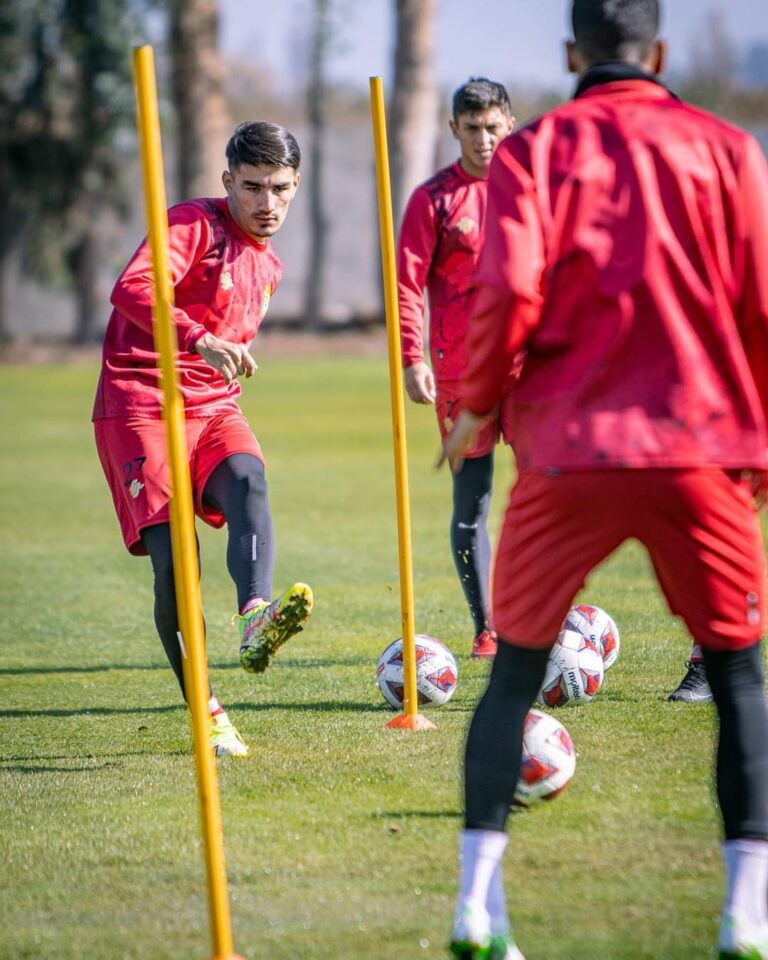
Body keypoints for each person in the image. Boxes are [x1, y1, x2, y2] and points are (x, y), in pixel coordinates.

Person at [441, 2, 768, 958]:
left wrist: (477, 404)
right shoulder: (729, 148)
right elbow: (758, 299)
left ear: (572, 53)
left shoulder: (529, 154)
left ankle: (476, 908)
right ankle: (746, 913)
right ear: (659, 53)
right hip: (696, 449)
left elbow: (508, 291)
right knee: (741, 674)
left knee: (511, 678)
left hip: (568, 452)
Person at [93, 121, 313, 759]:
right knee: (177, 563)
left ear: (295, 187)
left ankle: (254, 618)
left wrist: (214, 357)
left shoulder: (270, 265)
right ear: (228, 183)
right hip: (140, 401)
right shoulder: (193, 223)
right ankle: (206, 709)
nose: (265, 204)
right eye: (251, 188)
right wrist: (201, 339)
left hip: (213, 405)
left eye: (278, 189)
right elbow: (132, 288)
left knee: (248, 478)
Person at [397, 78, 515, 660]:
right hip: (459, 374)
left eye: (493, 126)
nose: (484, 139)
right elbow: (405, 284)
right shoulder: (433, 200)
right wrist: (411, 358)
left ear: (509, 125)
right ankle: (488, 627)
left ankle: (544, 612)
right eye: (472, 128)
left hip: (531, 370)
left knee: (552, 490)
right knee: (472, 504)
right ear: (454, 129)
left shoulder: (531, 193)